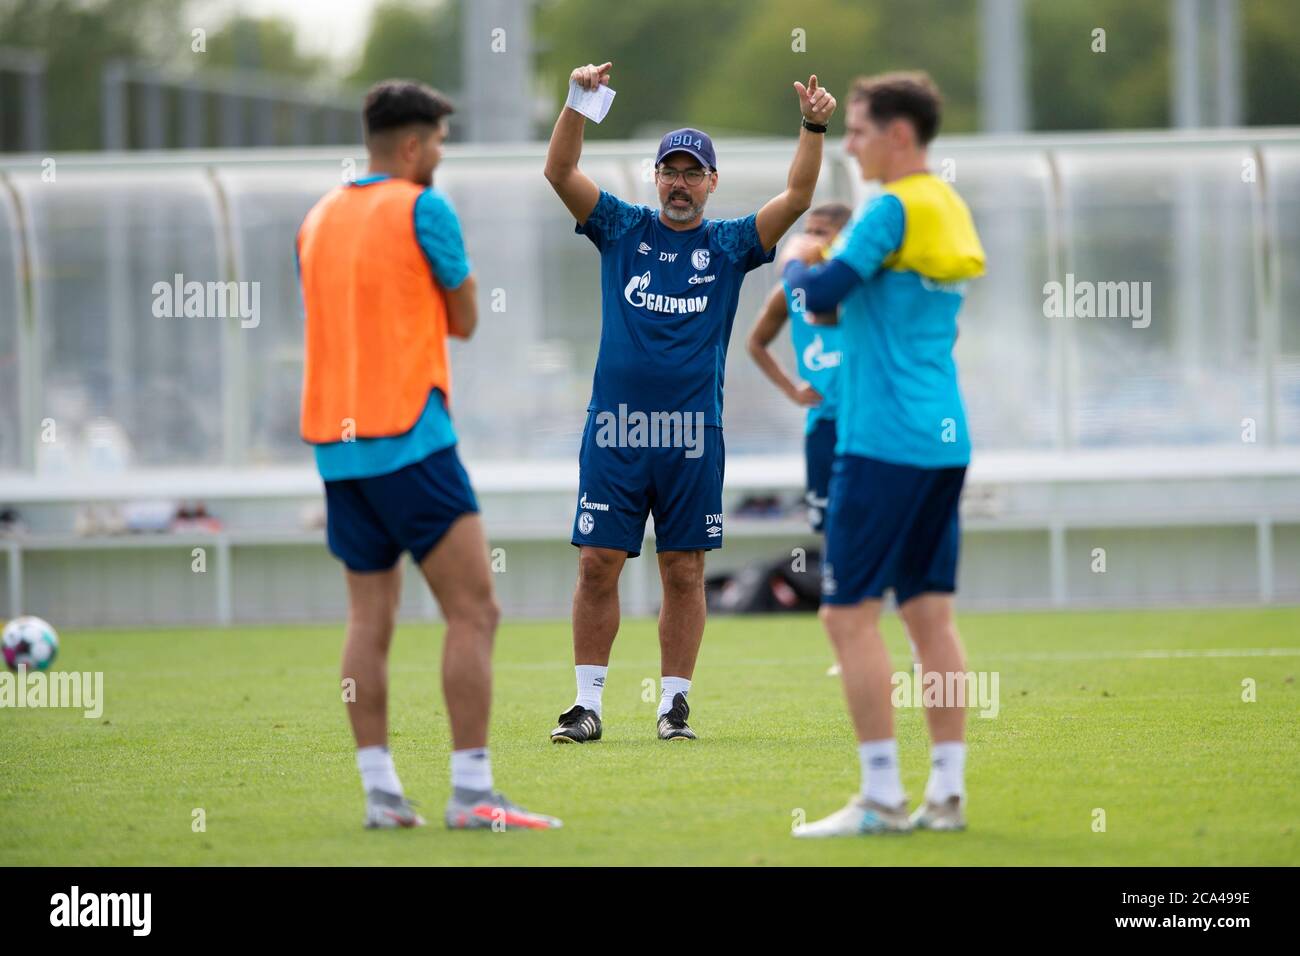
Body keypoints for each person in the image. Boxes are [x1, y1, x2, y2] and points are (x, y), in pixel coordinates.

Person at [542, 60, 836, 743]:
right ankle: (586, 704)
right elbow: (559, 173)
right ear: (657, 178)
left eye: (691, 172)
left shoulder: (729, 244)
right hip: (615, 429)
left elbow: (795, 195)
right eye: (669, 171)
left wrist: (814, 125)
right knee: (596, 563)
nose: (679, 183)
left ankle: (674, 705)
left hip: (691, 432)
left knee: (684, 569)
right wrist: (579, 101)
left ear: (711, 183)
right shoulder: (620, 227)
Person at [297, 80, 560, 831]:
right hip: (411, 438)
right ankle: (472, 793)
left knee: (367, 620)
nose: (442, 154)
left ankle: (380, 793)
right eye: (440, 140)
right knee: (475, 610)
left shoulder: (316, 219)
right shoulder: (423, 207)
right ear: (412, 146)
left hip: (337, 451)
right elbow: (468, 318)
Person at [781, 72, 985, 837]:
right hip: (944, 436)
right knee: (930, 615)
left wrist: (799, 257)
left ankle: (880, 798)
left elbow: (824, 294)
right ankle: (947, 791)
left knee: (847, 618)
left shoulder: (889, 206)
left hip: (881, 442)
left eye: (860, 130)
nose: (854, 145)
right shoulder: (947, 204)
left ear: (900, 134)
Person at [746, 201, 852, 535]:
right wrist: (791, 389)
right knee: (827, 524)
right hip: (822, 423)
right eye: (807, 232)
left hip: (864, 420)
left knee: (866, 518)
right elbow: (756, 343)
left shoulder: (860, 288)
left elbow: (824, 308)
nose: (809, 240)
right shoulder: (790, 290)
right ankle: (833, 585)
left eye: (821, 233)